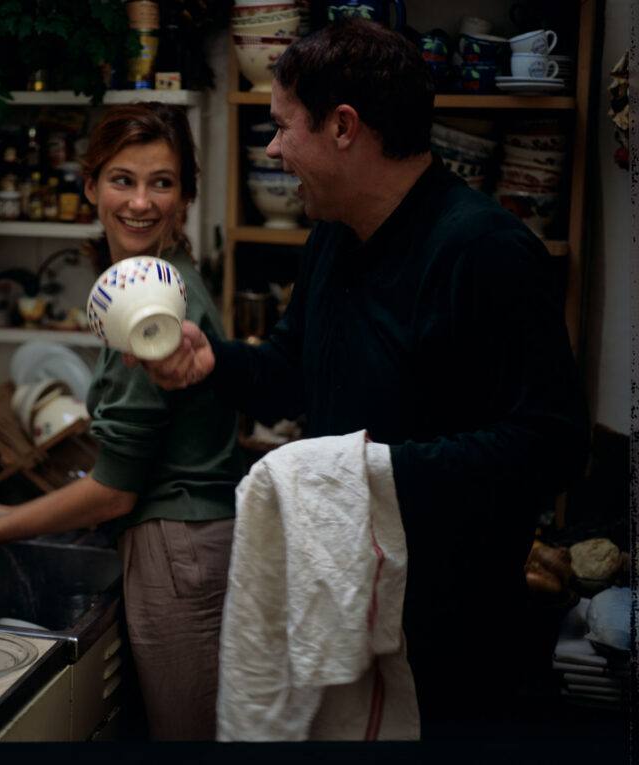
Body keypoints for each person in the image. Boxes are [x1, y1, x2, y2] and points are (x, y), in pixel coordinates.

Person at [135, 19, 590, 740]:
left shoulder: (485, 250)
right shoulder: (331, 237)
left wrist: (369, 474)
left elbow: (553, 442)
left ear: (344, 127)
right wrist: (210, 360)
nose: (276, 148)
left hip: (455, 638)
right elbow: (290, 374)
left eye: (284, 127)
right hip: (350, 607)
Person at [0, 102, 245, 741]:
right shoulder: (160, 279)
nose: (141, 202)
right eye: (123, 179)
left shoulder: (150, 300)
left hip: (177, 546)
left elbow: (115, 488)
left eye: (163, 182)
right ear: (91, 185)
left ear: (185, 197)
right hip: (195, 541)